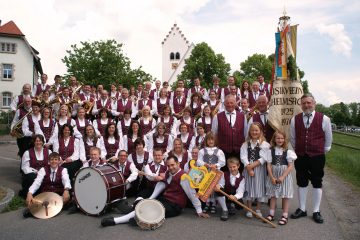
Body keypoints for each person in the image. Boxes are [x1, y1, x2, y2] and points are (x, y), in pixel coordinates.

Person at [101, 156, 210, 227]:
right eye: (169, 165)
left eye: (173, 165)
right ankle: (136, 214)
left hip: (176, 206)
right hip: (165, 199)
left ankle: (115, 220)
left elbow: (191, 194)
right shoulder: (168, 172)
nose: (171, 167)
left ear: (178, 164)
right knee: (147, 205)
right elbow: (164, 182)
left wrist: (199, 210)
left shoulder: (184, 177)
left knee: (147, 208)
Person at [290, 93, 332, 224]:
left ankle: (316, 210)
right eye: (304, 103)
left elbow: (328, 139)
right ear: (301, 105)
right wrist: (300, 150)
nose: (306, 105)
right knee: (301, 181)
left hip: (317, 156)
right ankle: (302, 209)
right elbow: (293, 138)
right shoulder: (295, 119)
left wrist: (320, 151)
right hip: (301, 155)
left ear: (314, 103)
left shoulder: (324, 118)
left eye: (308, 102)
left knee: (317, 181)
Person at [23, 152, 71, 218]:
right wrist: (30, 193)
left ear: (59, 161)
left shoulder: (63, 170)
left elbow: (66, 180)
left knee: (69, 194)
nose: (54, 161)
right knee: (34, 196)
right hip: (46, 193)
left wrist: (66, 190)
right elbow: (37, 182)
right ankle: (56, 206)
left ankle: (42, 207)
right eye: (52, 160)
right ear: (48, 161)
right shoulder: (43, 170)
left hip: (58, 193)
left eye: (55, 159)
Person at [265, 130, 297, 225]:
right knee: (273, 195)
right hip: (273, 175)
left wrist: (283, 176)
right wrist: (271, 177)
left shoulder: (288, 152)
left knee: (285, 195)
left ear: (285, 139)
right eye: (278, 138)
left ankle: (285, 215)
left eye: (282, 138)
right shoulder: (270, 151)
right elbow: (268, 165)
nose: (280, 140)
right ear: (274, 139)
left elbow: (290, 166)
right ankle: (271, 214)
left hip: (284, 176)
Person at [240, 122, 270, 218]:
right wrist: (248, 168)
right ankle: (249, 209)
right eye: (252, 130)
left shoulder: (265, 145)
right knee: (249, 187)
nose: (254, 132)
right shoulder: (245, 144)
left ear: (260, 131)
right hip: (248, 168)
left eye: (256, 130)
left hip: (259, 168)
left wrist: (251, 167)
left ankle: (258, 209)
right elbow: (243, 157)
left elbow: (263, 158)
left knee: (259, 187)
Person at [212, 95, 247, 172]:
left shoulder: (242, 116)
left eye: (231, 103)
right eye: (227, 103)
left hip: (239, 151)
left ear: (235, 104)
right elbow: (214, 135)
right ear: (224, 104)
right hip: (223, 151)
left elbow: (245, 134)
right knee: (224, 174)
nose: (230, 105)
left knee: (239, 173)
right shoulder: (217, 117)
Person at [197, 131, 226, 214]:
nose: (210, 141)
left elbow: (222, 162)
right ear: (206, 141)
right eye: (209, 140)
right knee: (206, 187)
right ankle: (206, 203)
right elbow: (199, 160)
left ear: (215, 140)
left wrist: (216, 165)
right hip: (206, 172)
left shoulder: (219, 151)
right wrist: (204, 164)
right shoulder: (202, 151)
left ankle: (213, 204)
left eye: (212, 140)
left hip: (214, 172)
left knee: (213, 188)